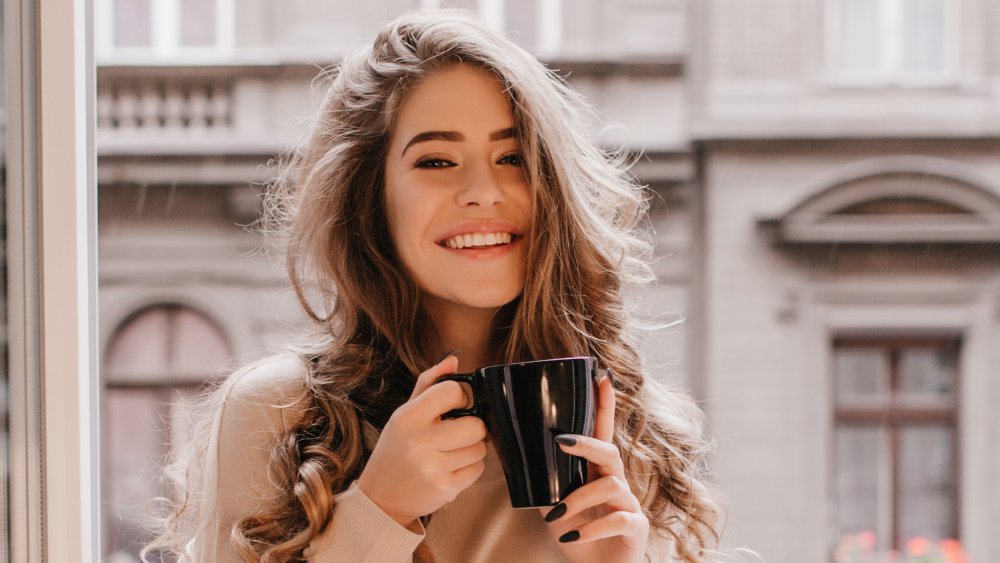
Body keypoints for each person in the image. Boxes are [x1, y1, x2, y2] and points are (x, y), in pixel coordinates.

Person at [145, 9, 722, 563]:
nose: (483, 191)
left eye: (514, 156)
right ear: (371, 196)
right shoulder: (276, 416)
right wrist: (379, 511)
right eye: (437, 161)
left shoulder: (630, 430)